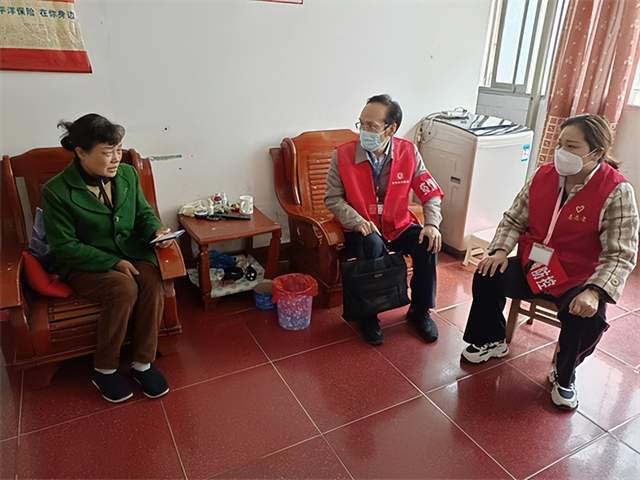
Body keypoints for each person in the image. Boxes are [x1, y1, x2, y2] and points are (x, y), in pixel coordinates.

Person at [461, 114, 638, 410]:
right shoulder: (543, 175)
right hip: (534, 265)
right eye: (560, 144)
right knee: (487, 274)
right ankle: (491, 339)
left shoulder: (617, 191)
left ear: (596, 152)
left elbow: (621, 253)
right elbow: (514, 219)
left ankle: (564, 374)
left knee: (589, 318)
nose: (562, 152)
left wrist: (595, 291)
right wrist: (500, 251)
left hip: (578, 277)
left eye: (572, 146)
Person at [43, 113, 173, 403]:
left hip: (131, 251)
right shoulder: (56, 191)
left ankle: (143, 363)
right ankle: (104, 369)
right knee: (123, 287)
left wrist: (156, 230)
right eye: (107, 152)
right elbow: (65, 246)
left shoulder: (127, 174)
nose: (116, 158)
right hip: (84, 264)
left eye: (119, 149)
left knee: (151, 279)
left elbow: (143, 213)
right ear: (80, 152)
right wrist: (112, 262)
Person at [325, 94, 444, 345]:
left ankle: (420, 311)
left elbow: (430, 191)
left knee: (427, 244)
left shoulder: (409, 152)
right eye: (361, 124)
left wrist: (432, 224)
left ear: (391, 129)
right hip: (362, 227)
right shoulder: (343, 155)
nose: (364, 131)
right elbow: (333, 198)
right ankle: (368, 316)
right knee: (371, 245)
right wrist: (356, 220)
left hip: (398, 225)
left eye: (371, 126)